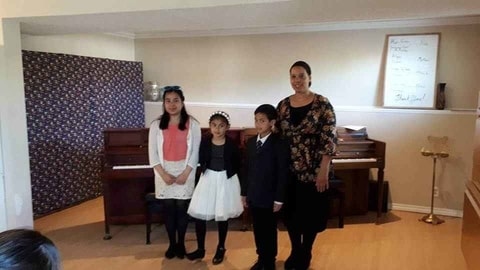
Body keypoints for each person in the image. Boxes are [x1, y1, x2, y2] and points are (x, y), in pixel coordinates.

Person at [276, 61, 337, 270]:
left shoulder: (322, 103)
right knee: (292, 214)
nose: (297, 81)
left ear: (310, 77)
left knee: (311, 214)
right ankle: (295, 250)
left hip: (314, 169)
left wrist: (323, 170)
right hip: (289, 170)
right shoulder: (283, 105)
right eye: (293, 76)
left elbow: (329, 138)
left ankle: (306, 251)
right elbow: (277, 136)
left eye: (301, 76)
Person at [148, 85, 201, 259]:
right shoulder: (156, 125)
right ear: (163, 103)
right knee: (169, 208)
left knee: (181, 208)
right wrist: (163, 174)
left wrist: (186, 173)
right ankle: (171, 244)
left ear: (182, 102)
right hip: (164, 171)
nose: (172, 104)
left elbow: (195, 153)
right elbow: (152, 153)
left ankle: (181, 244)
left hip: (185, 170)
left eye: (176, 100)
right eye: (168, 101)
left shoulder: (193, 124)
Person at [186, 111, 243, 265]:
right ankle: (200, 249)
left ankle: (221, 247)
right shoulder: (205, 141)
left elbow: (238, 164)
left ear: (227, 128)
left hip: (225, 179)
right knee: (199, 214)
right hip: (208, 178)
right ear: (210, 127)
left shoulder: (232, 145)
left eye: (221, 126)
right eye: (214, 125)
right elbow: (198, 158)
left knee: (221, 215)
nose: (217, 129)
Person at [241, 104, 290, 270]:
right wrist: (244, 193)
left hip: (270, 197)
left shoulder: (279, 143)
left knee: (269, 230)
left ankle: (270, 261)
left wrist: (279, 198)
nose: (258, 124)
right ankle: (261, 257)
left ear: (272, 122)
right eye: (256, 120)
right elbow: (246, 169)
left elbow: (282, 172)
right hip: (254, 195)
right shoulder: (250, 142)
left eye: (262, 120)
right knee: (258, 229)